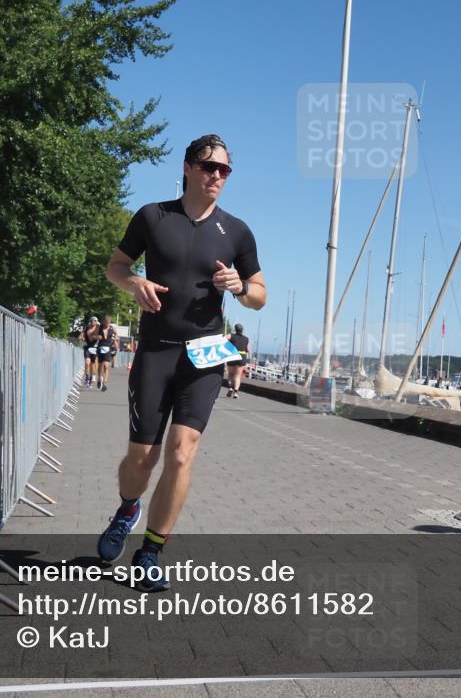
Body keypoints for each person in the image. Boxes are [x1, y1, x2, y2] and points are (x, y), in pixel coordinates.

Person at [97, 134, 266, 591]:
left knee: (181, 451)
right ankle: (128, 507)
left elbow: (260, 296)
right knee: (142, 457)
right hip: (156, 349)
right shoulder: (153, 216)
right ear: (189, 167)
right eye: (211, 167)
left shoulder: (237, 231)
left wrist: (239, 287)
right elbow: (115, 266)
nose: (218, 177)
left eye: (225, 170)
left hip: (207, 353)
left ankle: (151, 551)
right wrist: (133, 283)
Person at [225, 323, 249, 398]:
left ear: (235, 329)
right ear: (242, 330)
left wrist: (227, 346)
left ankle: (230, 388)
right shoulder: (246, 339)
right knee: (237, 376)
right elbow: (247, 349)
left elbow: (223, 339)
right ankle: (235, 392)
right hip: (241, 357)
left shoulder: (231, 335)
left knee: (230, 374)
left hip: (232, 356)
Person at [95, 315, 119, 392]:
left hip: (108, 348)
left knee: (106, 366)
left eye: (108, 323)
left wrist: (115, 339)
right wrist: (97, 337)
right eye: (106, 323)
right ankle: (99, 379)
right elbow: (94, 336)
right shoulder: (99, 327)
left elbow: (116, 335)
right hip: (100, 347)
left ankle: (104, 383)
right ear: (103, 322)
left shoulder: (112, 328)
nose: (107, 324)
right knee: (100, 365)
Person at [81, 316, 100, 387]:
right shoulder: (87, 328)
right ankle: (87, 379)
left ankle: (92, 378)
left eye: (94, 321)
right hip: (87, 348)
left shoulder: (98, 328)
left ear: (96, 322)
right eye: (92, 321)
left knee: (92, 365)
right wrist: (81, 337)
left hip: (95, 348)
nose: (93, 322)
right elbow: (81, 335)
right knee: (87, 362)